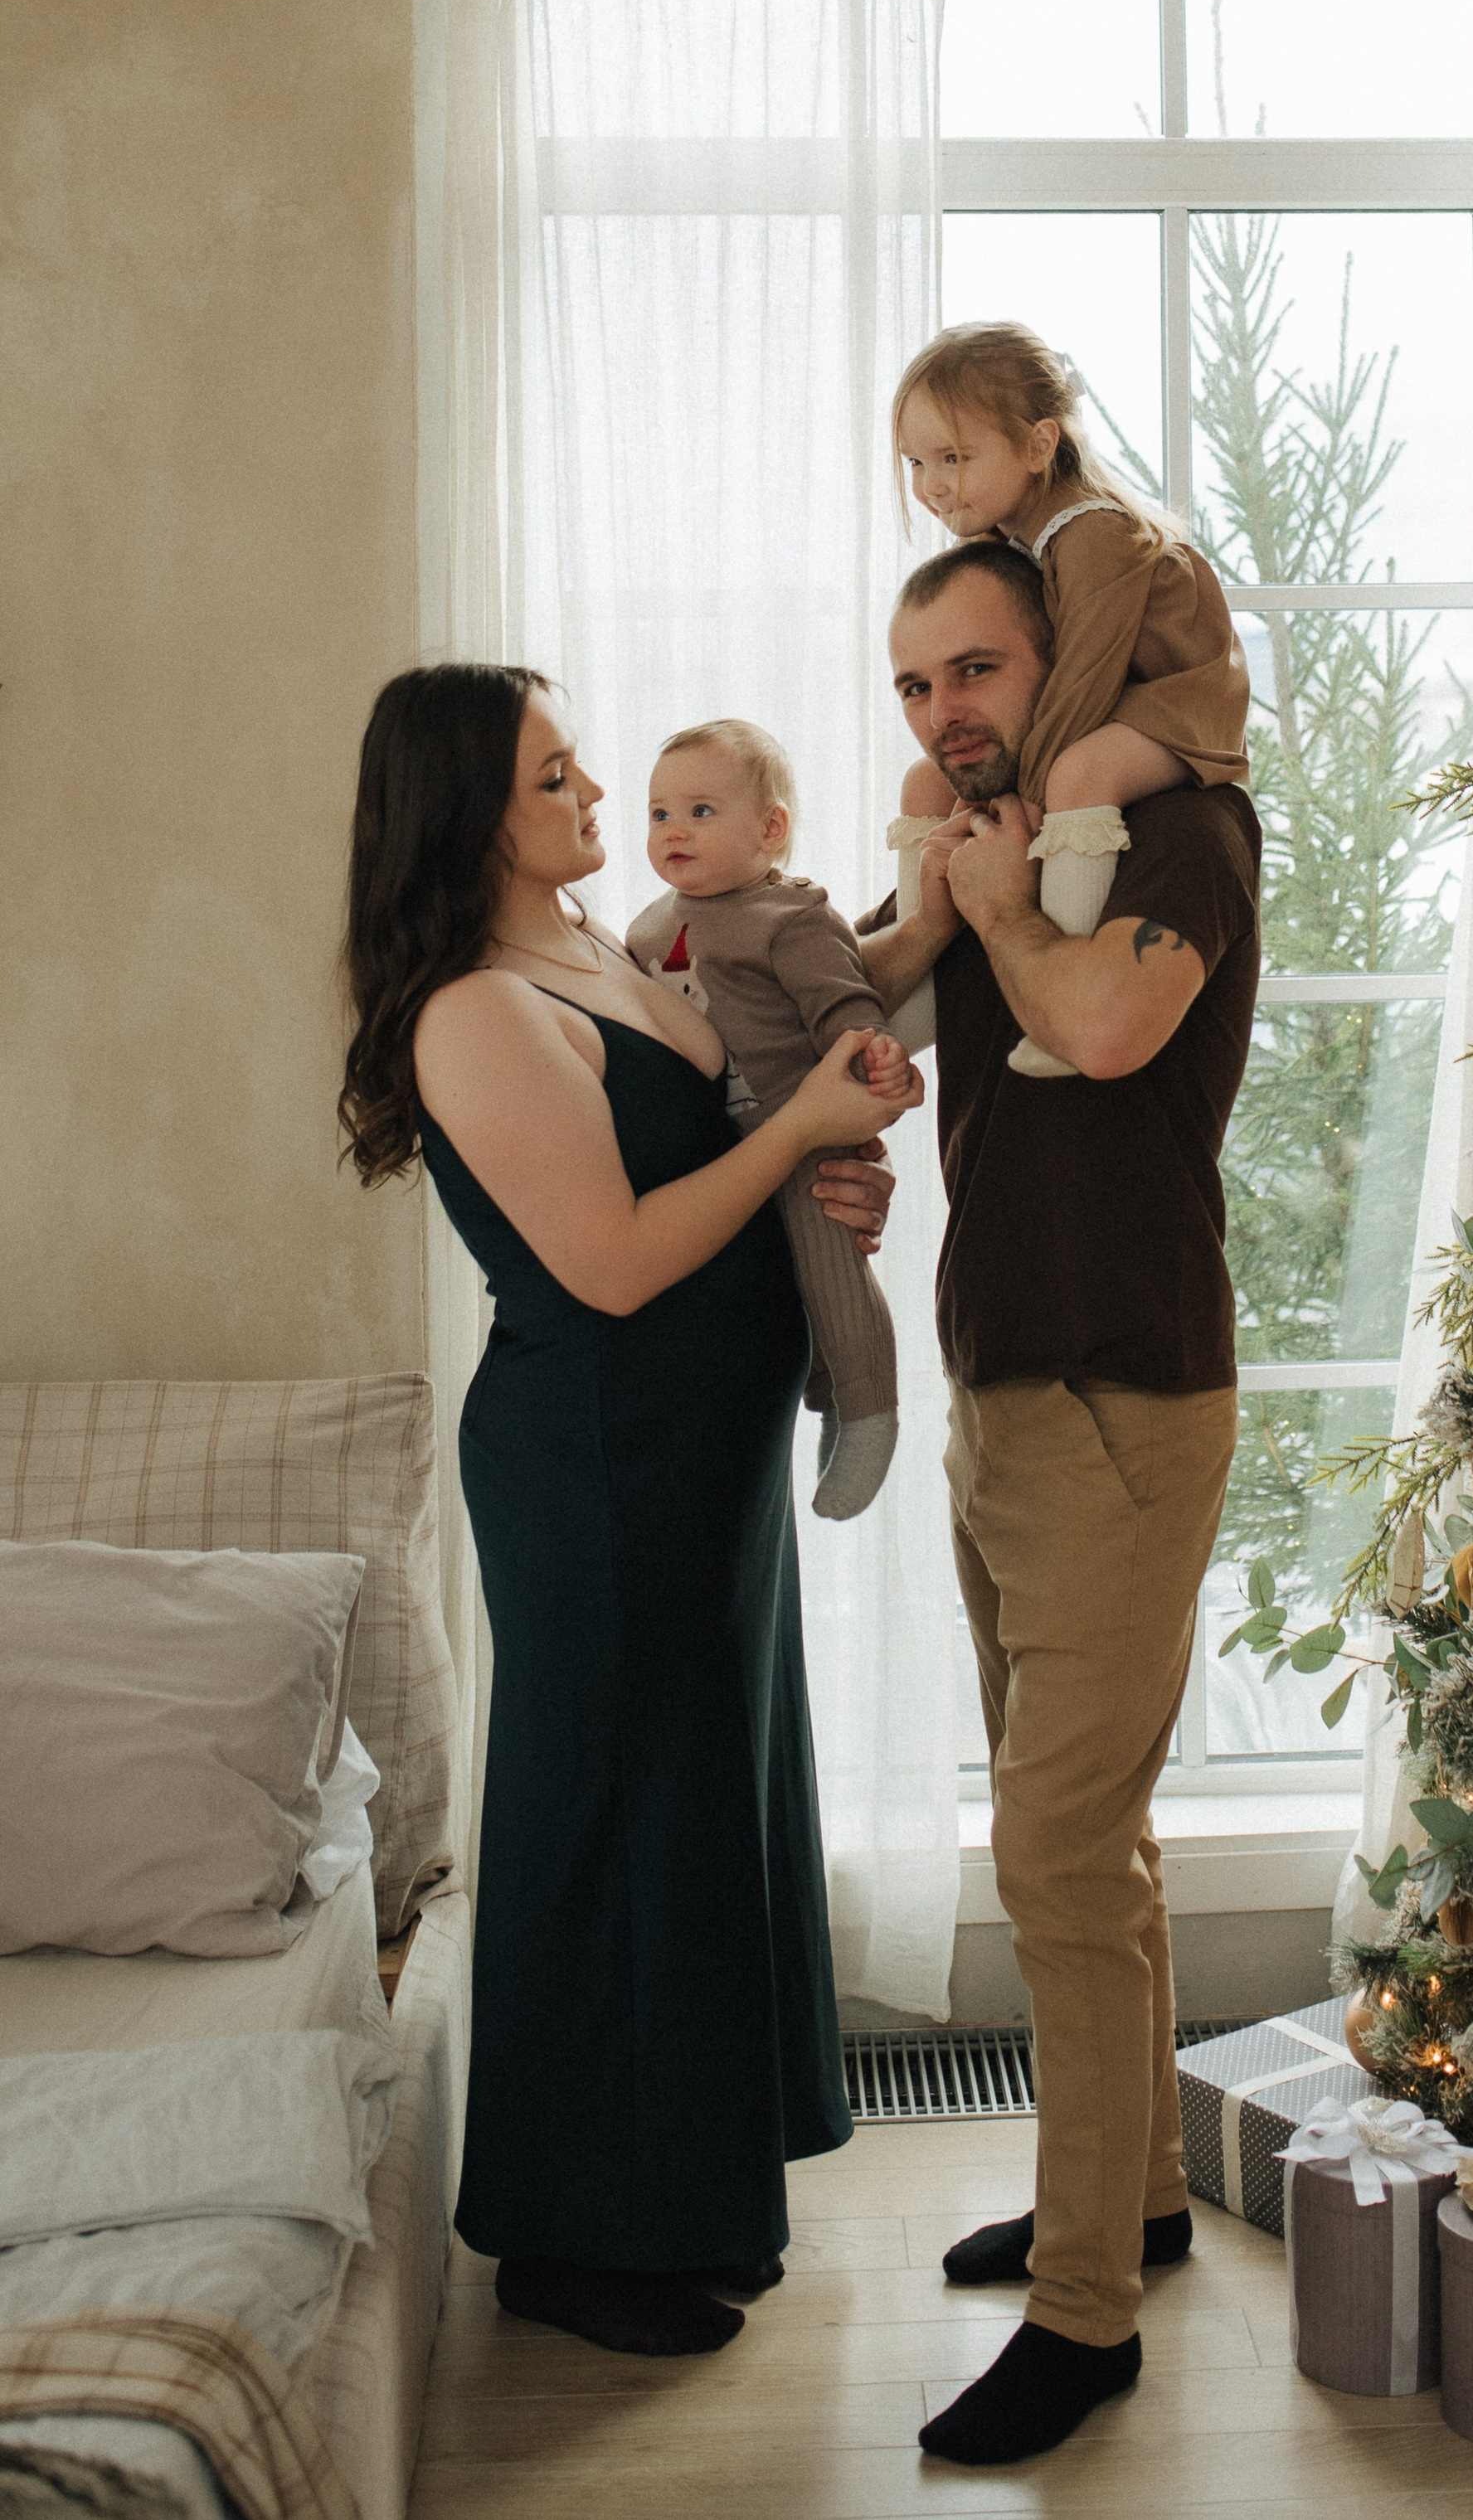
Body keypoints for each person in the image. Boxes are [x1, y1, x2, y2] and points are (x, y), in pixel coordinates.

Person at [338, 664, 918, 2359]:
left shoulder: (616, 947)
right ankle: (570, 2234)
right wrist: (800, 1124)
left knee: (693, 1805)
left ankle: (676, 2199)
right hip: (600, 1454)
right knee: (608, 1820)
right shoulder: (472, 1008)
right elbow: (606, 1262)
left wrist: (827, 1170)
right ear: (467, 816)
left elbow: (717, 1154)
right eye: (552, 777)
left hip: (698, 1453)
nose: (596, 794)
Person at [859, 541, 1262, 2466]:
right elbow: (866, 1015)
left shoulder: (1176, 827)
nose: (947, 710)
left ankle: (1085, 2313)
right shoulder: (980, 840)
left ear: (1061, 658)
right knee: (1093, 1844)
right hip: (1003, 1396)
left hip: (1118, 1396)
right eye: (915, 682)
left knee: (1047, 1865)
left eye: (976, 667)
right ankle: (1144, 2193)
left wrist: (998, 903)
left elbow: (1101, 1029)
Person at [885, 320, 1249, 1078]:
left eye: (953, 457)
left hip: (1176, 706)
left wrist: (1029, 811)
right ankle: (924, 992)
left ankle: (1060, 971)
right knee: (924, 780)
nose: (932, 484)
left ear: (1038, 444)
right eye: (917, 462)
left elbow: (1081, 678)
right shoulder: (1010, 540)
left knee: (1078, 774)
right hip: (1116, 705)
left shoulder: (1090, 532)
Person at [626, 716, 900, 1521]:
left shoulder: (790, 917)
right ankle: (825, 1401)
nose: (674, 830)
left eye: (701, 812)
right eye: (659, 814)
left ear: (770, 828)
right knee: (773, 1298)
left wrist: (875, 1060)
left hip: (805, 1139)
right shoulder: (645, 929)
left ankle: (869, 1412)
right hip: (714, 1158)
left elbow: (847, 1007)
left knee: (829, 1272)